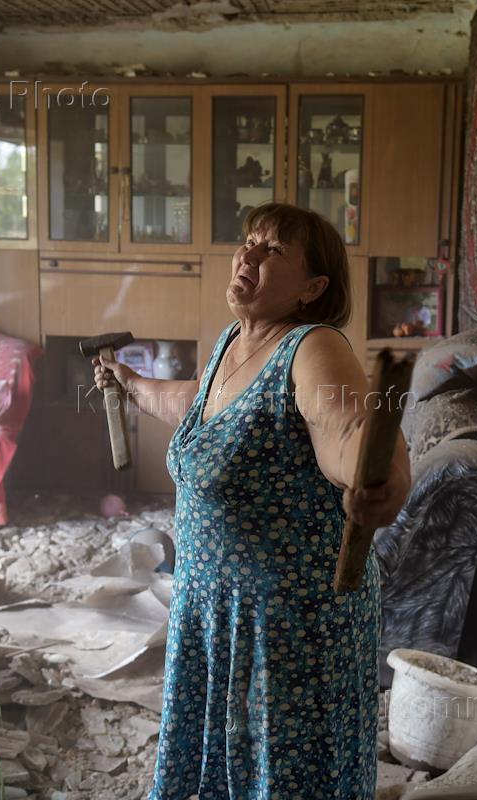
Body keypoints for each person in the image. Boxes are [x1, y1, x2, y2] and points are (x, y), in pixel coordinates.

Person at [92, 202, 411, 799]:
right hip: (217, 615)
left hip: (283, 632)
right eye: (250, 240)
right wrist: (130, 384)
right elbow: (199, 405)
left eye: (274, 250)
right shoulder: (234, 341)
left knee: (282, 779)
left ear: (312, 288)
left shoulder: (314, 347)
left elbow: (345, 426)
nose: (250, 254)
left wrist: (377, 476)